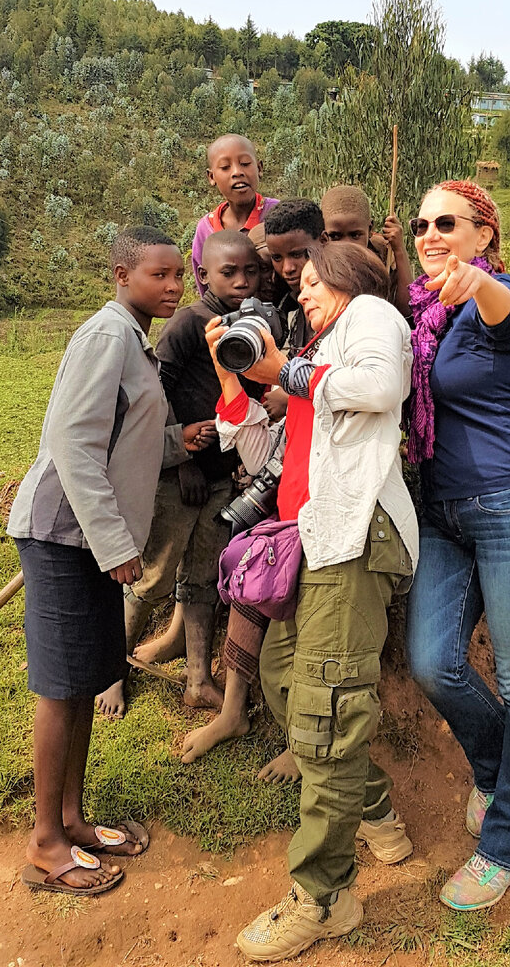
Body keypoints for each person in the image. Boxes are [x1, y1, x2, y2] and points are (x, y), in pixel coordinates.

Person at [207, 241, 418, 962]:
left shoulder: (372, 316)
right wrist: (241, 371)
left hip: (354, 541)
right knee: (290, 685)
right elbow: (251, 436)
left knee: (327, 711)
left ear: (350, 284)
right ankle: (377, 807)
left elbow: (383, 387)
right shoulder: (325, 350)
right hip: (310, 540)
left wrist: (286, 369)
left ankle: (324, 900)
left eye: (315, 285)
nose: (304, 298)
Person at [7, 227, 198, 895]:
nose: (174, 287)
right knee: (61, 688)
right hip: (65, 533)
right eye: (159, 275)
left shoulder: (133, 340)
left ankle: (72, 821)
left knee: (87, 678)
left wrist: (179, 441)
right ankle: (44, 845)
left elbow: (130, 440)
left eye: (180, 275)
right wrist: (116, 544)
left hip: (89, 537)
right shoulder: (107, 336)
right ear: (121, 274)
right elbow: (72, 442)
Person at [403, 180, 510, 912]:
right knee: (433, 661)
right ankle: (503, 768)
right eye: (421, 223)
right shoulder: (422, 318)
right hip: (444, 512)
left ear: (483, 234)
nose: (431, 234)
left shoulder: (501, 298)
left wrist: (477, 284)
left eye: (448, 223)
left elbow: (498, 307)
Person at [95, 231, 264, 719]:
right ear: (204, 275)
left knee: (201, 579)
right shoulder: (190, 324)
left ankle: (198, 681)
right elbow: (159, 390)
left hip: (221, 478)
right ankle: (112, 671)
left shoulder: (250, 324)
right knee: (152, 578)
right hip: (179, 474)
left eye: (250, 271)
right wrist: (184, 459)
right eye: (228, 272)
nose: (241, 280)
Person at [190, 134, 279, 294]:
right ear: (212, 177)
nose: (237, 172)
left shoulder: (277, 213)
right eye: (225, 167)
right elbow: (205, 287)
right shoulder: (206, 229)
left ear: (259, 168)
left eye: (245, 164)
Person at [320, 184, 411, 316]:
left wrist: (399, 250)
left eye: (355, 235)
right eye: (335, 236)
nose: (348, 245)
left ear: (370, 229)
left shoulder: (382, 258)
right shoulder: (318, 267)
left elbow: (407, 309)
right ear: (323, 236)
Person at [263, 197, 326, 356]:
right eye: (277, 258)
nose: (287, 268)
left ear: (324, 241)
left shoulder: (347, 301)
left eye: (297, 254)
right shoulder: (285, 306)